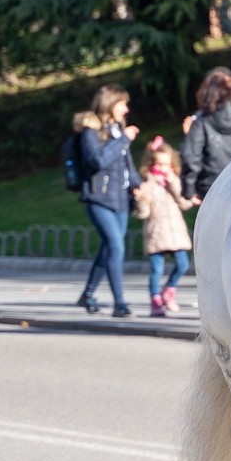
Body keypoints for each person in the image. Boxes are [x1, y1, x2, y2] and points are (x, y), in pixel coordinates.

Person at [74, 85, 140, 318]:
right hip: (99, 198)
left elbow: (126, 165)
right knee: (116, 247)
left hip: (120, 199)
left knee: (108, 249)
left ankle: (88, 294)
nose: (126, 108)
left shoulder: (116, 129)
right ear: (110, 103)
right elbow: (98, 160)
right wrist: (123, 139)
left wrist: (137, 185)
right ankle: (120, 303)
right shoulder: (90, 131)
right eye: (122, 103)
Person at [180, 67, 231, 205]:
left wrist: (188, 191)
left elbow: (191, 157)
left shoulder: (202, 119)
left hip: (212, 187)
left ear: (207, 92)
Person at [134, 136, 196, 316]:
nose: (163, 169)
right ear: (151, 164)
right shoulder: (148, 185)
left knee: (183, 264)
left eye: (166, 165)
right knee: (156, 269)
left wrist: (174, 184)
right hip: (156, 232)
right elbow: (143, 213)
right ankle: (155, 301)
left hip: (175, 231)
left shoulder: (174, 181)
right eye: (159, 165)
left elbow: (184, 203)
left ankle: (169, 291)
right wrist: (141, 200)